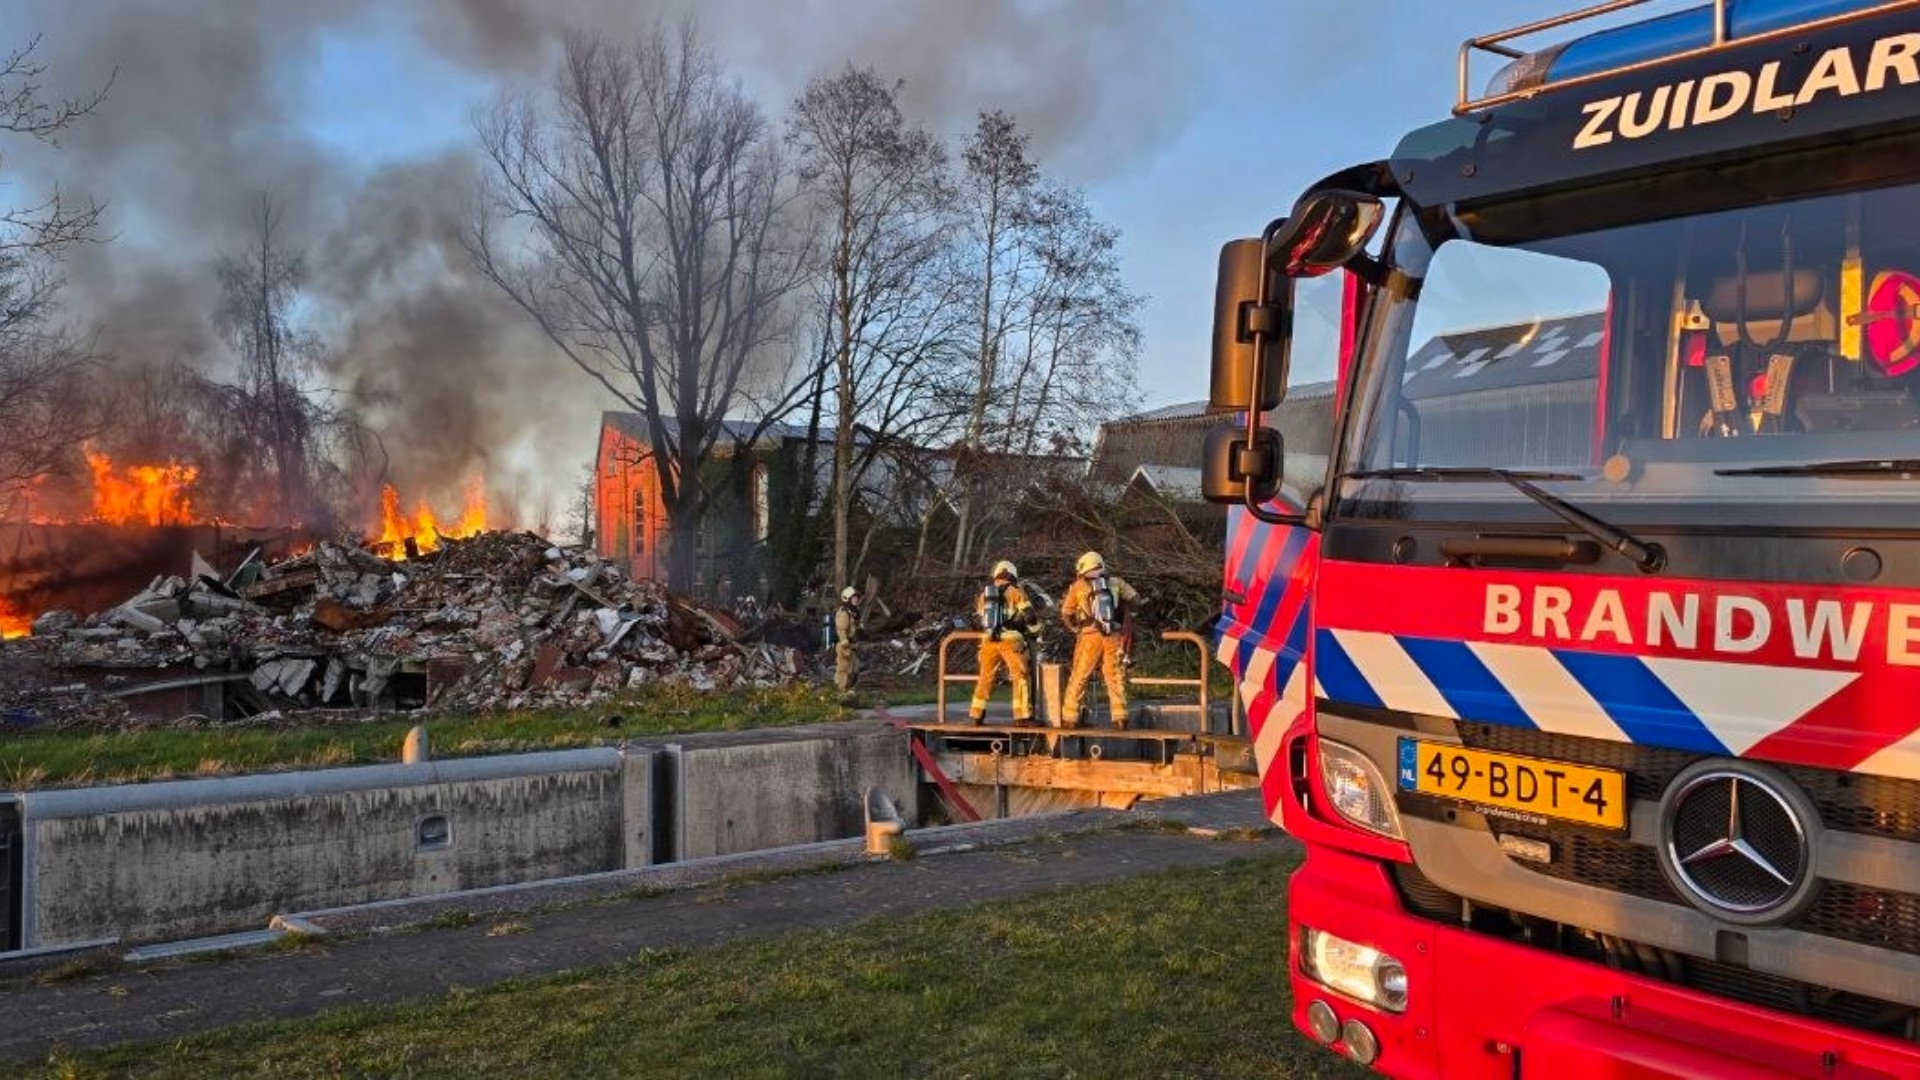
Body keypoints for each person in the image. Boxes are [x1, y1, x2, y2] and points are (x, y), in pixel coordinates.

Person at [1060, 551, 1141, 729]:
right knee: (1114, 675)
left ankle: (1070, 718)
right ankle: (1120, 717)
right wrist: (1124, 615)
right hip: (1113, 634)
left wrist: (1076, 629)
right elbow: (1136, 600)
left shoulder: (1078, 586)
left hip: (1090, 636)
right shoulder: (1115, 582)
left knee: (1080, 674)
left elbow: (1066, 613)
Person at [969, 560, 1037, 725]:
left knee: (985, 678)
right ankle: (1022, 717)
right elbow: (1030, 617)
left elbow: (978, 619)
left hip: (988, 640)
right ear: (1013, 575)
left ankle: (976, 714)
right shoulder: (1016, 591)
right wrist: (1034, 633)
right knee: (1020, 677)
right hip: (1011, 640)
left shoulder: (985, 594)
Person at [833, 585, 862, 698]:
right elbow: (841, 630)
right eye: (853, 598)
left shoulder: (852, 612)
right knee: (844, 670)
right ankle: (841, 692)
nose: (856, 600)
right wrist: (846, 645)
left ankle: (848, 691)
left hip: (852, 646)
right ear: (847, 598)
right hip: (845, 646)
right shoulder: (844, 613)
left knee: (854, 671)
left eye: (856, 598)